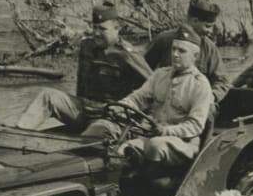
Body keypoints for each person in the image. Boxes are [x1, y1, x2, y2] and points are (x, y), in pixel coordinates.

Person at [0, 1, 152, 131]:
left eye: (102, 29)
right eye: (94, 27)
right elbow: (82, 83)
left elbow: (154, 89)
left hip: (109, 118)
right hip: (82, 109)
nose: (96, 33)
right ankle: (18, 132)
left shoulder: (128, 55)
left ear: (117, 29)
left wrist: (137, 120)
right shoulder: (87, 46)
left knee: (93, 137)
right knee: (47, 96)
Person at [84, 25, 213, 177]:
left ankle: (152, 190)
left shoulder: (200, 84)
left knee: (155, 146)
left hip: (183, 143)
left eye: (181, 51)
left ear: (195, 56)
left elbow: (195, 126)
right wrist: (121, 107)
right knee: (110, 141)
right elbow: (138, 98)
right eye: (173, 49)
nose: (175, 54)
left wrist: (166, 131)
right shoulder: (160, 75)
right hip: (149, 134)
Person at [144, 0, 231, 113]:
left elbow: (222, 81)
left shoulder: (209, 47)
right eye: (207, 26)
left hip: (195, 104)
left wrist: (211, 97)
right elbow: (142, 69)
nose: (210, 31)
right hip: (163, 102)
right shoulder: (163, 40)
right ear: (194, 21)